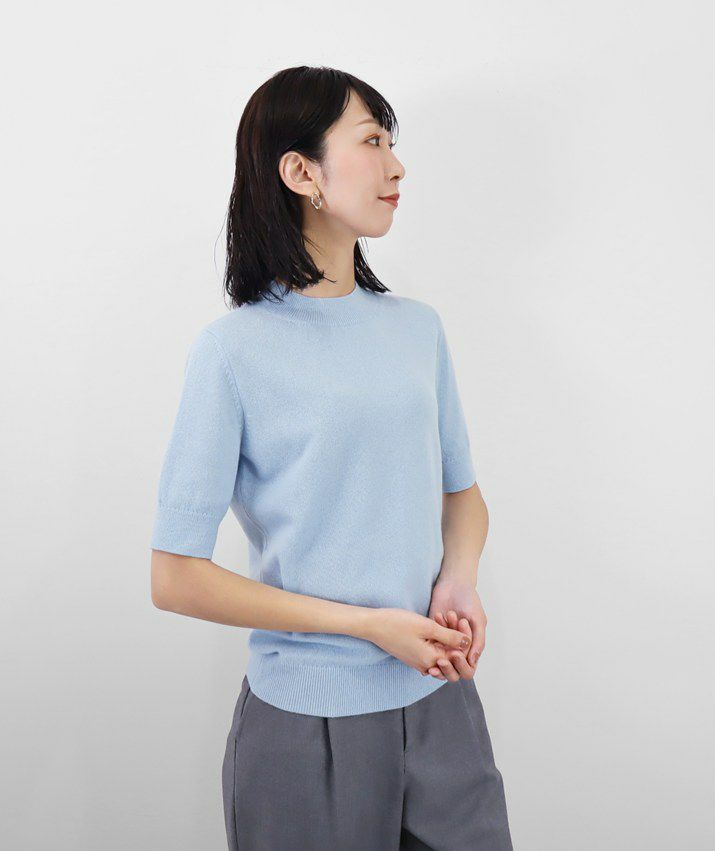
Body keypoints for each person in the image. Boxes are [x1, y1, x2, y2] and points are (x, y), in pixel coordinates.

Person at [150, 65, 513, 850]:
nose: (396, 166)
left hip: (442, 704)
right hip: (305, 727)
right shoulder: (232, 352)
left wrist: (457, 578)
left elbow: (461, 494)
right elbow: (174, 576)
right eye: (372, 141)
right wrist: (366, 625)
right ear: (301, 172)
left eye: (391, 143)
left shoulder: (416, 329)